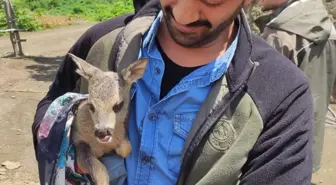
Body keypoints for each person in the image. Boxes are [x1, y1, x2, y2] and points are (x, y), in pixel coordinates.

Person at [32, 0, 315, 184]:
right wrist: (74, 159)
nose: (183, 14)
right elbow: (51, 111)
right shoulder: (102, 43)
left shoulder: (281, 93)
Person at [256, 0, 336, 173]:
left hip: (276, 143)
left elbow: (260, 98)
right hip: (308, 136)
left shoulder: (279, 35)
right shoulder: (328, 29)